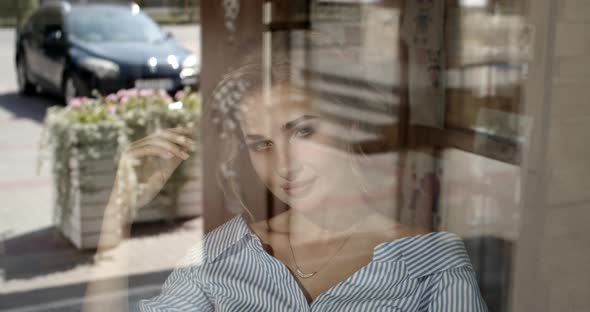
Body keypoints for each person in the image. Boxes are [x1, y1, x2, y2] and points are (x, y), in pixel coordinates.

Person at [116, 47, 490, 311]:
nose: (284, 165)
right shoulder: (222, 252)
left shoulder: (433, 264)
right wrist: (116, 214)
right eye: (261, 144)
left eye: (304, 132)